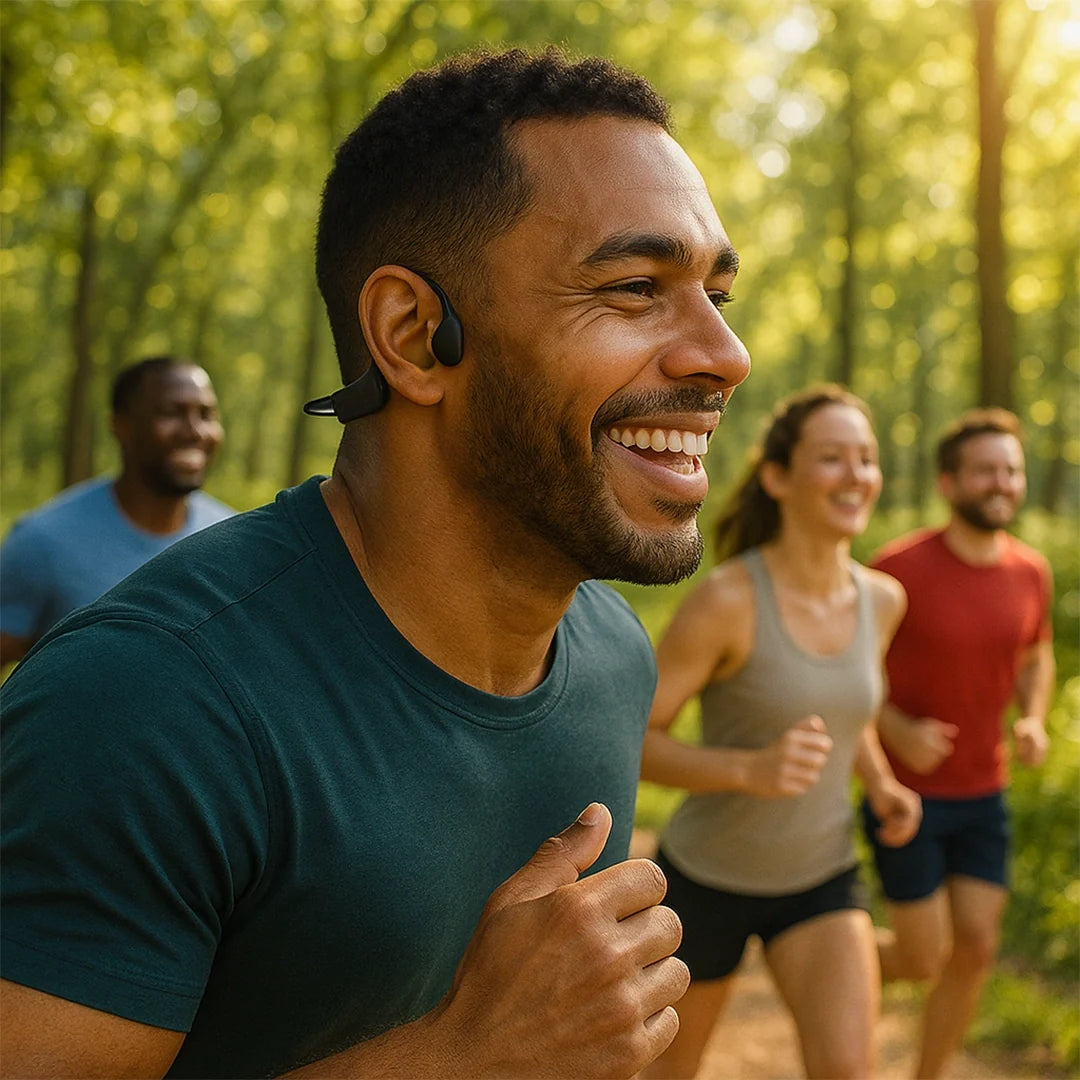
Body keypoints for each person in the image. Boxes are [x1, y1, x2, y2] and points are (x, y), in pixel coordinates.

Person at [0, 48, 753, 1078]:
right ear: (411, 334)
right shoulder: (141, 705)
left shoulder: (613, 654)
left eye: (716, 290)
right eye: (634, 287)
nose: (725, 353)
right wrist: (456, 1061)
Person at [640, 385, 922, 1079]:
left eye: (867, 458)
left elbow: (842, 714)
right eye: (832, 458)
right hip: (707, 880)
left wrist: (883, 784)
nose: (856, 475)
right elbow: (632, 739)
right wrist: (748, 771)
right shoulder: (728, 600)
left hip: (822, 874)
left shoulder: (883, 600)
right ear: (778, 477)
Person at [863, 407, 1054, 1080]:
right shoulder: (896, 569)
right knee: (922, 958)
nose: (1001, 483)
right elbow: (843, 666)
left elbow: (1036, 657)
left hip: (984, 788)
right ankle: (828, 955)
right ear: (949, 483)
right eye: (985, 471)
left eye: (1012, 470)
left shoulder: (1031, 571)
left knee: (974, 948)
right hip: (906, 793)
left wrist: (1032, 718)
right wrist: (893, 727)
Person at [0, 356, 231, 668]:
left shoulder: (231, 542)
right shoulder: (43, 542)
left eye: (206, 414)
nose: (194, 431)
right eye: (170, 413)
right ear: (121, 425)